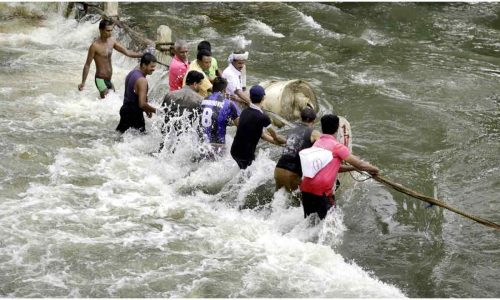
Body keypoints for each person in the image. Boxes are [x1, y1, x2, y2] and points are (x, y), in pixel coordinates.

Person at [299, 114, 380, 220]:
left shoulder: (317, 143)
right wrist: (375, 169)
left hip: (305, 188)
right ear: (337, 127)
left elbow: (336, 167)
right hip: (322, 192)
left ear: (322, 127)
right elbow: (359, 164)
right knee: (331, 223)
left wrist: (352, 168)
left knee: (310, 222)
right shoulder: (337, 146)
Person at [78, 19, 143, 98]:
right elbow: (87, 65)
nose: (110, 32)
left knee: (113, 99)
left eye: (111, 30)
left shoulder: (112, 41)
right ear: (101, 30)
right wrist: (83, 82)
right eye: (107, 30)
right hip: (100, 79)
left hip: (109, 79)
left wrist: (142, 55)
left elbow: (127, 52)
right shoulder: (94, 46)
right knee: (107, 98)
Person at [230, 85, 286, 169]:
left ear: (250, 97)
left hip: (234, 151)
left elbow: (262, 135)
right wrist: (287, 142)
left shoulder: (244, 112)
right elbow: (276, 137)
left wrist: (278, 143)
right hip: (246, 155)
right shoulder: (263, 117)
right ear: (263, 98)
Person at [274, 107, 321, 192]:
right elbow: (327, 145)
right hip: (293, 173)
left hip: (278, 169)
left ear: (300, 118)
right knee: (298, 202)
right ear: (314, 121)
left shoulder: (291, 130)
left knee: (278, 199)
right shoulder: (314, 133)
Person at [116, 53, 158, 133]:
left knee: (121, 137)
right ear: (143, 65)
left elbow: (135, 95)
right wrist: (156, 111)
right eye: (151, 66)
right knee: (140, 140)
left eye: (154, 66)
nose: (154, 69)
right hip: (134, 115)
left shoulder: (132, 73)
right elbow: (142, 104)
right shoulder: (142, 80)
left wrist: (146, 110)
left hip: (125, 110)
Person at [199, 77, 240, 158]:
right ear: (224, 90)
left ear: (213, 87)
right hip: (218, 146)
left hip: (202, 144)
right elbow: (240, 126)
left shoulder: (203, 100)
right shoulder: (229, 104)